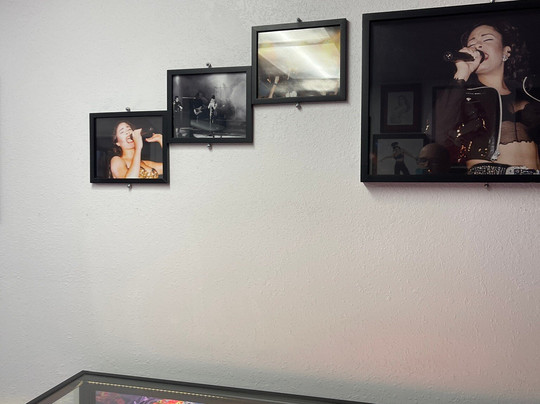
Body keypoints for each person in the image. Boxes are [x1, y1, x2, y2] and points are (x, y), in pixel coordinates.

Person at [435, 20, 540, 175]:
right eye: (472, 43)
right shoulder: (465, 96)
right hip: (489, 178)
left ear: (506, 52)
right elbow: (438, 132)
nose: (478, 45)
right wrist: (462, 72)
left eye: (487, 39)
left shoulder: (528, 95)